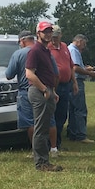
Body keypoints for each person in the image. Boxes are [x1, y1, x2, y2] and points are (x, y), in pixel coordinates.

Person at [5, 31, 59, 148]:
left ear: (23, 41)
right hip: (46, 89)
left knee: (31, 122)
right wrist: (52, 90)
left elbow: (9, 74)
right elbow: (55, 73)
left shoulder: (18, 54)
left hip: (26, 91)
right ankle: (54, 148)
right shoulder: (45, 52)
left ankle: (36, 149)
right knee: (49, 120)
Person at [26, 21, 62, 171]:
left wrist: (52, 90)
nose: (48, 34)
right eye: (45, 31)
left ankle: (44, 161)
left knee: (45, 127)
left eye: (50, 31)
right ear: (38, 34)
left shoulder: (45, 50)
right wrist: (44, 89)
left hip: (47, 91)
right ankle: (41, 163)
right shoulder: (35, 51)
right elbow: (29, 73)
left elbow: (48, 74)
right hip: (38, 91)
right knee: (40, 129)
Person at [49, 26, 76, 150]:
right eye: (52, 37)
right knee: (52, 115)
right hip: (54, 85)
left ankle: (58, 142)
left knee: (62, 115)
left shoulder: (65, 46)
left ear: (61, 35)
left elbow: (71, 66)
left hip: (66, 85)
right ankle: (52, 144)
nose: (54, 39)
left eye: (56, 36)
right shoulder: (47, 48)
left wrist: (74, 82)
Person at [67, 33, 95, 143]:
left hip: (70, 81)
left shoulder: (69, 49)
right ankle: (81, 135)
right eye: (84, 44)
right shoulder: (74, 50)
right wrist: (89, 73)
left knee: (73, 109)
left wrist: (85, 68)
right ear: (79, 41)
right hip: (76, 81)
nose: (84, 47)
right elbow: (75, 68)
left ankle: (72, 133)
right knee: (80, 109)